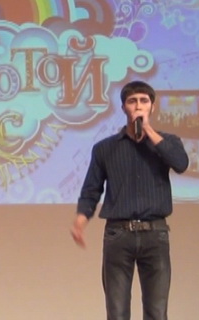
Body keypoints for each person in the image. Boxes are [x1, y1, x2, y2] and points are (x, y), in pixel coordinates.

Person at [70, 81, 189, 320]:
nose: (138, 106)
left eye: (144, 101)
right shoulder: (105, 148)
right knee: (117, 312)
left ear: (152, 107)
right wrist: (81, 220)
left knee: (157, 312)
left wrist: (149, 131)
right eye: (132, 101)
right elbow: (91, 190)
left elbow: (181, 164)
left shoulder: (167, 142)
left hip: (155, 234)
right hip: (118, 235)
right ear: (124, 107)